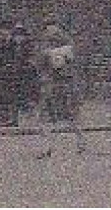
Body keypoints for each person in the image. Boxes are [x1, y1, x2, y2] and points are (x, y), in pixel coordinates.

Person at [35, 19, 85, 156]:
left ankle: (78, 142)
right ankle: (50, 146)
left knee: (49, 117)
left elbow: (41, 67)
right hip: (59, 86)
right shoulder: (67, 46)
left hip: (57, 87)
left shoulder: (47, 48)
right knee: (63, 117)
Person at [0, 20, 35, 127]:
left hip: (12, 72)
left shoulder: (14, 43)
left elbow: (17, 58)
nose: (0, 34)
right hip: (3, 71)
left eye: (2, 31)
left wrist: (12, 67)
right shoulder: (4, 42)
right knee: (3, 95)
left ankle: (13, 119)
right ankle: (5, 117)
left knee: (12, 95)